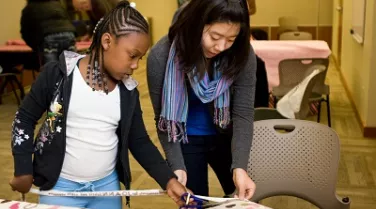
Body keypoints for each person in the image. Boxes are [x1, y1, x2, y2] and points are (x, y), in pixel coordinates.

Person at [10, 1, 190, 209]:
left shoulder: (128, 91)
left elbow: (139, 141)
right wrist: (23, 167)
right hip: (59, 188)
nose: (135, 65)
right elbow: (23, 119)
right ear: (107, 41)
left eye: (140, 58)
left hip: (106, 188)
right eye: (132, 56)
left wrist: (169, 179)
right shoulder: (58, 75)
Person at [147, 0, 257, 199]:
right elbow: (162, 119)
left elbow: (243, 113)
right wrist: (177, 166)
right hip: (185, 138)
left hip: (227, 136)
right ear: (196, 24)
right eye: (215, 36)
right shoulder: (160, 56)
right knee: (194, 202)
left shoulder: (242, 54)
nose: (221, 47)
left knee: (244, 198)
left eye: (231, 39)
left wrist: (240, 166)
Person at [21, 0, 77, 65]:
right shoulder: (57, 4)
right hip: (69, 34)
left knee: (51, 71)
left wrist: (36, 47)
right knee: (71, 68)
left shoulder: (29, 8)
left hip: (49, 37)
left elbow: (25, 31)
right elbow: (68, 20)